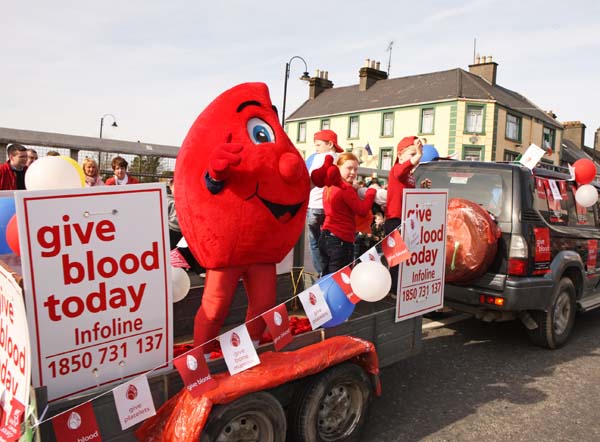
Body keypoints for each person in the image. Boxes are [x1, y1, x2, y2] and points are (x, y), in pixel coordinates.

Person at [314, 152, 376, 275]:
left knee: (327, 276)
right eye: (349, 168)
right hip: (341, 239)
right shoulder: (345, 189)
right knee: (340, 279)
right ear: (338, 168)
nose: (353, 172)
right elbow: (362, 210)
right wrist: (371, 192)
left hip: (326, 235)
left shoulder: (328, 186)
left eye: (356, 169)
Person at [385, 136, 431, 295]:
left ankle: (398, 289)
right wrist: (418, 156)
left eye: (418, 155)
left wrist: (421, 189)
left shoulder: (410, 175)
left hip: (406, 220)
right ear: (400, 155)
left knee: (404, 259)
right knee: (396, 260)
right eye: (412, 154)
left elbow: (409, 196)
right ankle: (393, 291)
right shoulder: (397, 169)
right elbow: (400, 174)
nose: (417, 158)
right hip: (395, 219)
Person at [306, 129, 343, 275]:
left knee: (314, 242)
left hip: (314, 204)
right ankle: (331, 270)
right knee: (328, 241)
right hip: (330, 206)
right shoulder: (340, 159)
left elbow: (311, 178)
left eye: (318, 145)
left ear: (330, 144)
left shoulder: (319, 158)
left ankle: (322, 271)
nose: (316, 149)